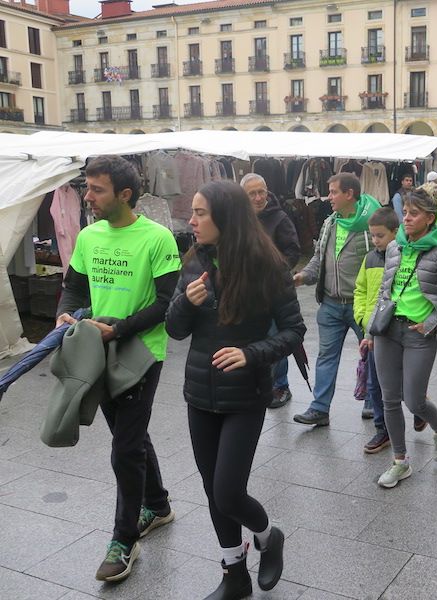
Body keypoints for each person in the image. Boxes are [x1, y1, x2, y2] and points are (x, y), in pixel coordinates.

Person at [165, 181, 304, 599]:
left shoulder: (267, 264)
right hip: (199, 395)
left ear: (227, 217)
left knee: (228, 491)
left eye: (201, 213)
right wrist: (186, 303)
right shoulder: (193, 261)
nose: (191, 221)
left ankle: (267, 536)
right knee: (213, 492)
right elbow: (175, 330)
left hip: (245, 395)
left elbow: (295, 330)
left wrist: (252, 353)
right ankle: (234, 575)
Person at [55, 155, 180, 582]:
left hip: (142, 352)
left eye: (96, 190)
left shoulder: (158, 238)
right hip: (100, 350)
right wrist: (65, 315)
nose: (87, 197)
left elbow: (166, 304)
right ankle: (158, 504)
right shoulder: (90, 237)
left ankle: (123, 540)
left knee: (125, 447)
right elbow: (72, 287)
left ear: (125, 195)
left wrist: (119, 330)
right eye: (86, 188)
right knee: (130, 435)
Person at [366, 188, 437, 487]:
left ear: (429, 219)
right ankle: (400, 461)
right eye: (405, 212)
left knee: (414, 400)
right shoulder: (395, 246)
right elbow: (386, 289)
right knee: (389, 399)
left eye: (414, 214)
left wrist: (433, 323)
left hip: (419, 334)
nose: (406, 218)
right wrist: (372, 329)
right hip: (388, 330)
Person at [293, 173, 380, 426]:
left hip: (361, 305)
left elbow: (384, 260)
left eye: (333, 192)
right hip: (330, 304)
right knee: (326, 356)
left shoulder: (370, 224)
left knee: (372, 356)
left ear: (349, 194)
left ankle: (372, 402)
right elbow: (319, 259)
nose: (328, 197)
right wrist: (302, 277)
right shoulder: (330, 222)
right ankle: (319, 409)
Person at [241, 173, 301, 409]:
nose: (258, 197)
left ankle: (280, 385)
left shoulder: (279, 218)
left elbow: (293, 251)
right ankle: (257, 382)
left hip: (273, 292)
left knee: (277, 339)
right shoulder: (238, 219)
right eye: (252, 193)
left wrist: (272, 272)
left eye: (261, 191)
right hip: (245, 293)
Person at [354, 207, 398, 453]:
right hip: (373, 332)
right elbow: (360, 290)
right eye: (372, 236)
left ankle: (419, 406)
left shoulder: (403, 256)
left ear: (395, 232)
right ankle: (383, 429)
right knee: (375, 384)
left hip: (396, 331)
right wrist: (363, 319)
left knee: (401, 383)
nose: (375, 240)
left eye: (380, 235)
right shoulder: (370, 258)